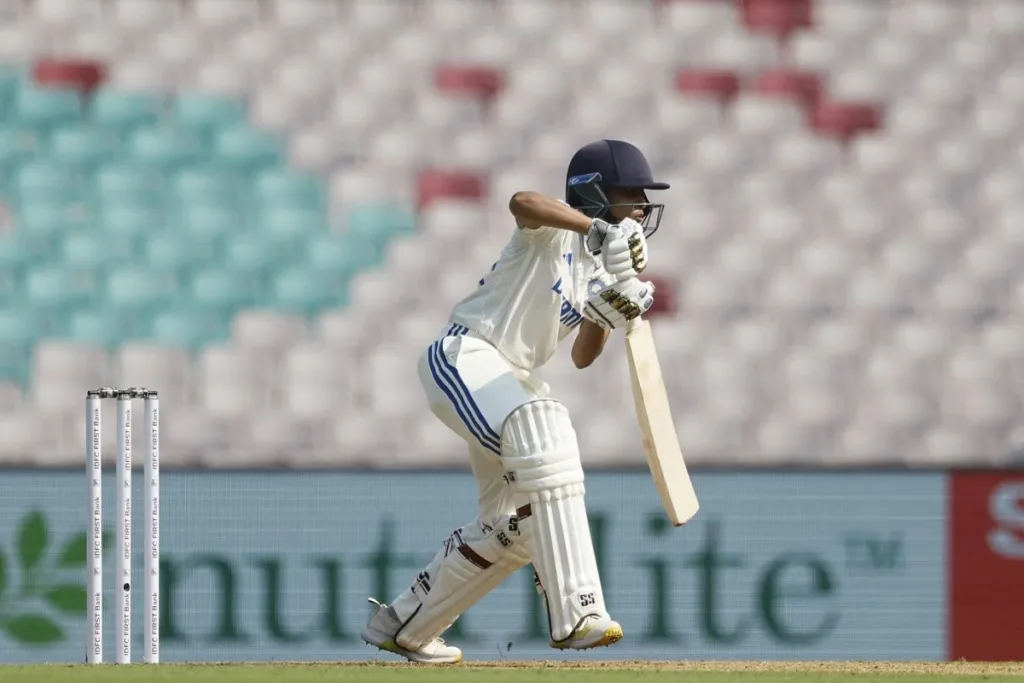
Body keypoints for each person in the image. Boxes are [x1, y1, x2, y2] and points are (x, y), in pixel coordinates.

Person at [360, 140, 669, 664]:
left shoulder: (595, 270)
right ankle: (578, 613)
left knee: (518, 527)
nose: (640, 207)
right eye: (630, 195)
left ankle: (405, 625)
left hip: (512, 382)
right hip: (467, 356)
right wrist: (593, 227)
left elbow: (581, 358)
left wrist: (611, 313)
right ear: (594, 195)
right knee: (545, 424)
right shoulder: (552, 233)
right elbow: (522, 200)